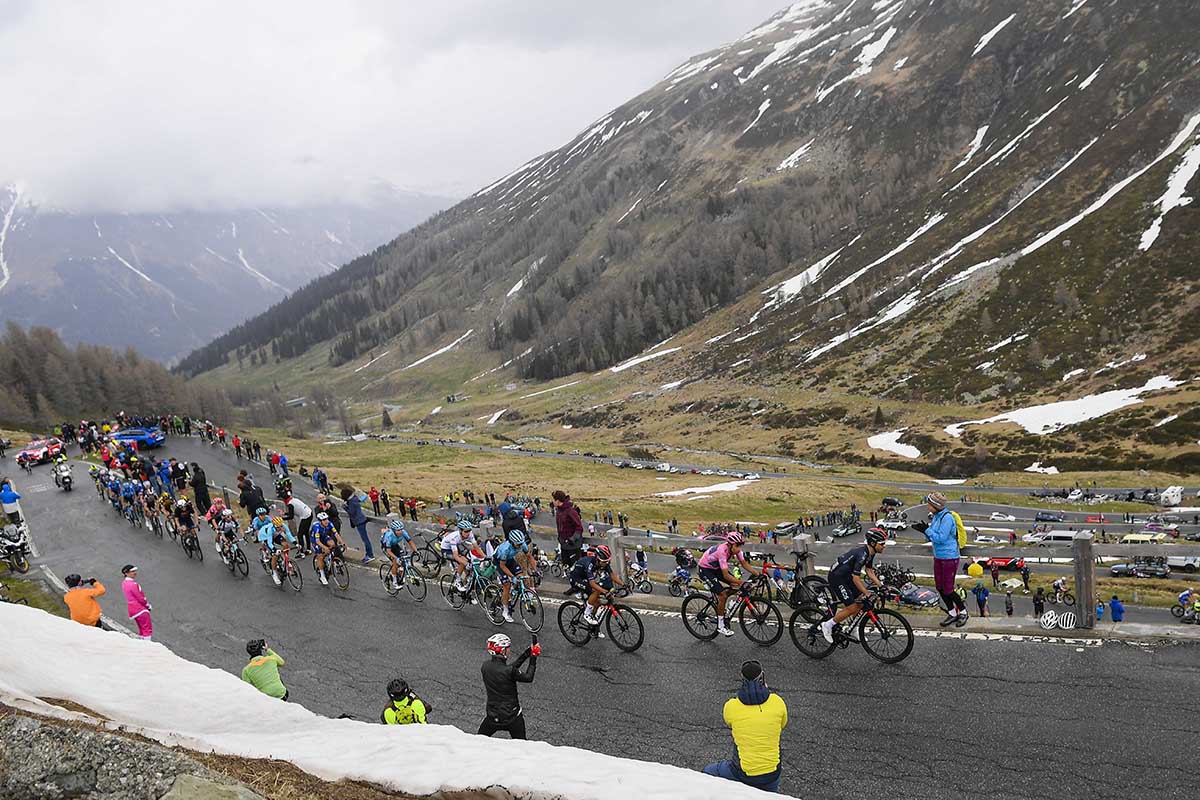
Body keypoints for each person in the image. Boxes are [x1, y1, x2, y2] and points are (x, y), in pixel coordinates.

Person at [702, 660, 787, 793]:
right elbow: (782, 724)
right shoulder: (778, 702)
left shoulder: (731, 706)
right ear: (763, 678)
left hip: (743, 772)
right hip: (772, 773)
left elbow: (729, 722)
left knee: (707, 771)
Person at [817, 528, 888, 644]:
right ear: (873, 543)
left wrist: (881, 586)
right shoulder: (862, 554)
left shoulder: (871, 553)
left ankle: (853, 629)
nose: (884, 546)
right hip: (837, 577)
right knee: (852, 607)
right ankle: (827, 625)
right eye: (882, 544)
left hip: (847, 576)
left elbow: (869, 571)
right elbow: (856, 578)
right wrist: (866, 592)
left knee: (861, 602)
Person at [912, 492, 967, 627]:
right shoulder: (937, 516)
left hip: (950, 557)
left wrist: (927, 530)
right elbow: (934, 535)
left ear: (936, 506)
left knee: (948, 589)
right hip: (939, 556)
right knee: (940, 587)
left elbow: (940, 538)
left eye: (929, 503)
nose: (927, 505)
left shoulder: (947, 518)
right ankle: (952, 613)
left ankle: (964, 612)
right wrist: (924, 530)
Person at [697, 532, 761, 637]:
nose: (739, 548)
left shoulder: (735, 549)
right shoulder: (722, 551)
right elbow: (726, 576)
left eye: (741, 546)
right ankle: (720, 625)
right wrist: (742, 582)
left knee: (736, 585)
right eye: (737, 546)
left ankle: (730, 603)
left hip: (716, 568)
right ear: (730, 544)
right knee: (723, 594)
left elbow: (744, 564)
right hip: (705, 569)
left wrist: (758, 574)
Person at [478, 633, 538, 739]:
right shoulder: (509, 671)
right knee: (523, 746)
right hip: (512, 717)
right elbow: (528, 677)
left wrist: (526, 654)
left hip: (493, 717)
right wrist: (533, 657)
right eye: (508, 648)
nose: (509, 650)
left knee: (478, 740)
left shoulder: (485, 666)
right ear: (502, 650)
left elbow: (507, 670)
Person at [494, 529, 533, 624]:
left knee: (521, 578)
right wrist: (512, 577)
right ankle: (505, 610)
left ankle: (512, 593)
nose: (520, 546)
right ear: (512, 542)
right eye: (518, 545)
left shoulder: (521, 543)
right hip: (499, 562)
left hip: (510, 560)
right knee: (507, 585)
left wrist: (535, 570)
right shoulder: (505, 549)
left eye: (521, 544)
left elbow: (529, 556)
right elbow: (503, 566)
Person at [380, 517, 416, 592]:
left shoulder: (403, 532)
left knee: (403, 559)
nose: (400, 532)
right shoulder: (389, 536)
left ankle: (400, 574)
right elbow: (389, 551)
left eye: (401, 529)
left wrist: (416, 551)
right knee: (395, 562)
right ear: (393, 530)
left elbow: (410, 541)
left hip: (395, 545)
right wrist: (396, 558)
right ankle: (395, 582)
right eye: (398, 530)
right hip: (387, 548)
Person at [552, 490, 584, 568]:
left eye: (553, 500)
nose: (552, 502)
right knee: (566, 566)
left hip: (573, 545)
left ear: (558, 501)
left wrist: (573, 539)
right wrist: (560, 538)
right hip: (564, 545)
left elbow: (579, 527)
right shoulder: (559, 511)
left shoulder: (570, 511)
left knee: (576, 568)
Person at [341, 486, 373, 563]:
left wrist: (345, 507)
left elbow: (352, 512)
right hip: (362, 520)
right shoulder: (354, 499)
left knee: (365, 539)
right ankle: (369, 554)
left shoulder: (351, 502)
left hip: (359, 521)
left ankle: (370, 555)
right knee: (365, 539)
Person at [120, 565, 152, 640]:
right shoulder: (133, 585)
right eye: (132, 571)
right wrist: (148, 606)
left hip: (132, 610)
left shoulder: (124, 583)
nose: (135, 573)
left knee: (142, 630)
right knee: (147, 630)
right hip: (140, 609)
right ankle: (148, 647)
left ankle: (142, 644)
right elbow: (141, 598)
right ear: (126, 573)